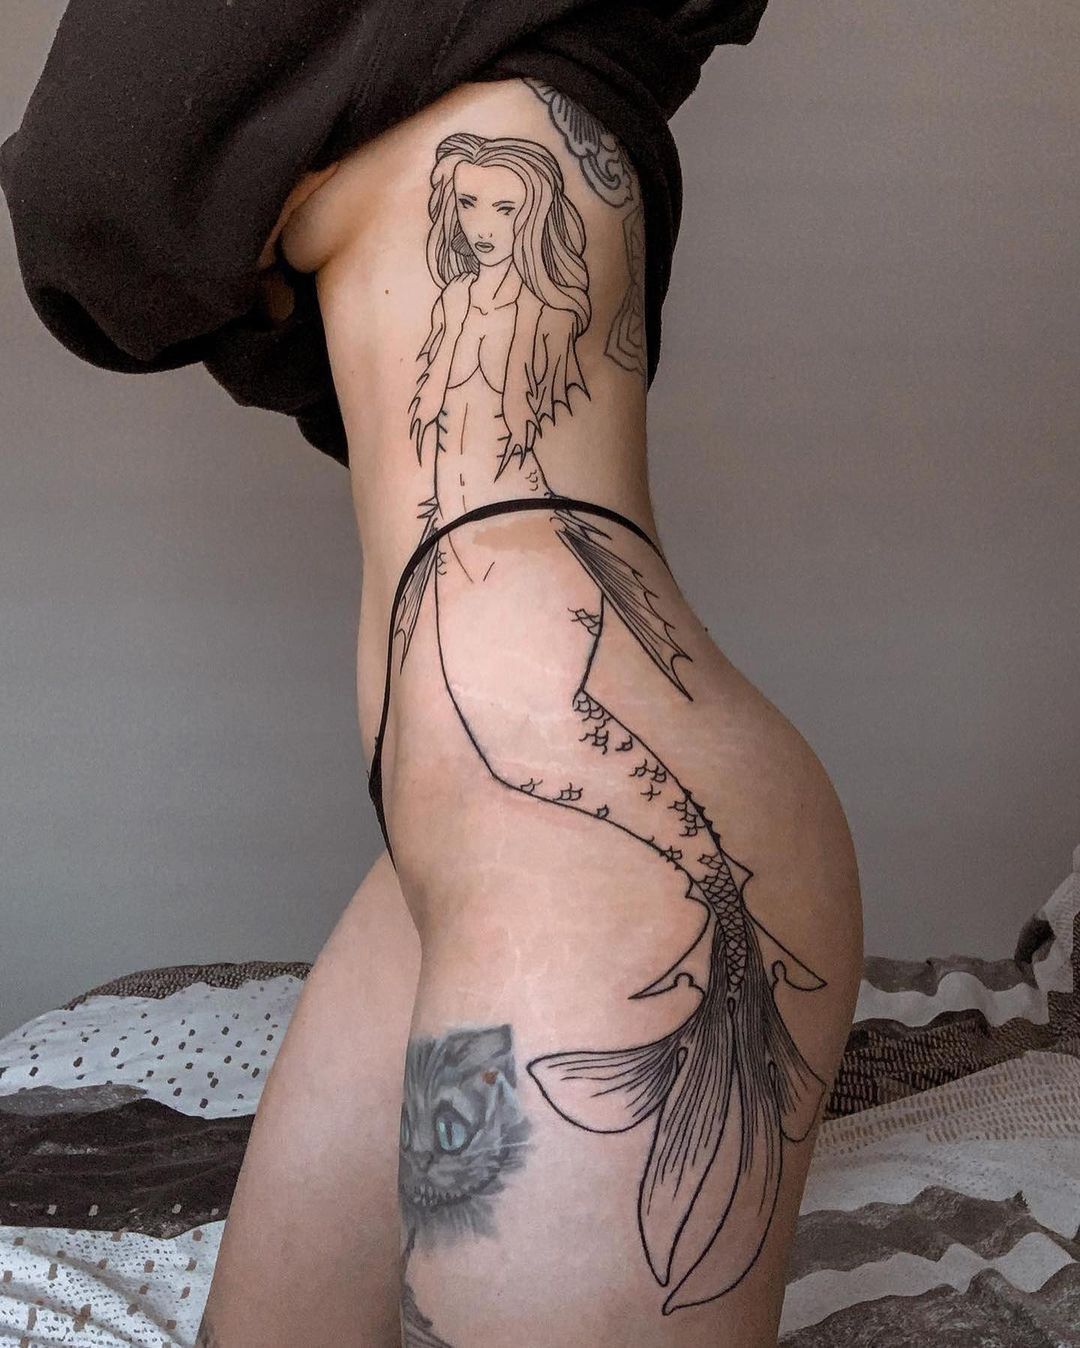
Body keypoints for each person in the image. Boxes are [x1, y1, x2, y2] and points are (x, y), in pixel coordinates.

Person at [3, 9, 863, 1345]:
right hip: (448, 871)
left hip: (592, 884)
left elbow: (93, 197)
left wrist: (264, 244)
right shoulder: (518, 84)